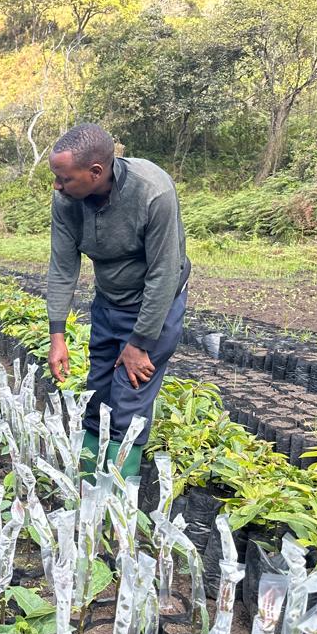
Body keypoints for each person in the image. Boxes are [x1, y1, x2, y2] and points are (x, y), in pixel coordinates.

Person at [45, 123, 190, 479]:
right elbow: (63, 267)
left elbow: (164, 273)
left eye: (64, 178)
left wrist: (139, 343)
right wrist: (57, 336)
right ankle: (88, 480)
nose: (57, 186)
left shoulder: (152, 191)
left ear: (95, 172)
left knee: (129, 396)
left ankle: (118, 497)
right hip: (108, 303)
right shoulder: (67, 201)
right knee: (98, 393)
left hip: (154, 306)